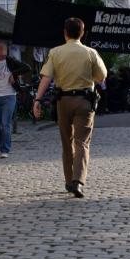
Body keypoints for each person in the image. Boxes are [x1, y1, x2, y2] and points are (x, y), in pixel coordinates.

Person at [33, 18, 106, 198]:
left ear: (65, 32)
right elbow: (101, 76)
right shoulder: (90, 53)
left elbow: (46, 78)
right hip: (84, 101)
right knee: (82, 142)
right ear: (82, 33)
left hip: (63, 101)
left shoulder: (55, 52)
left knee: (67, 142)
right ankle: (78, 181)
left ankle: (68, 180)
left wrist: (37, 99)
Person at [0, 41, 30, 158]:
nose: (1, 53)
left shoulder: (11, 61)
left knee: (6, 123)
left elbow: (27, 67)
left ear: (6, 51)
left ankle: (5, 149)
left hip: (9, 96)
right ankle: (1, 139)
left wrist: (14, 74)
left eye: (3, 50)